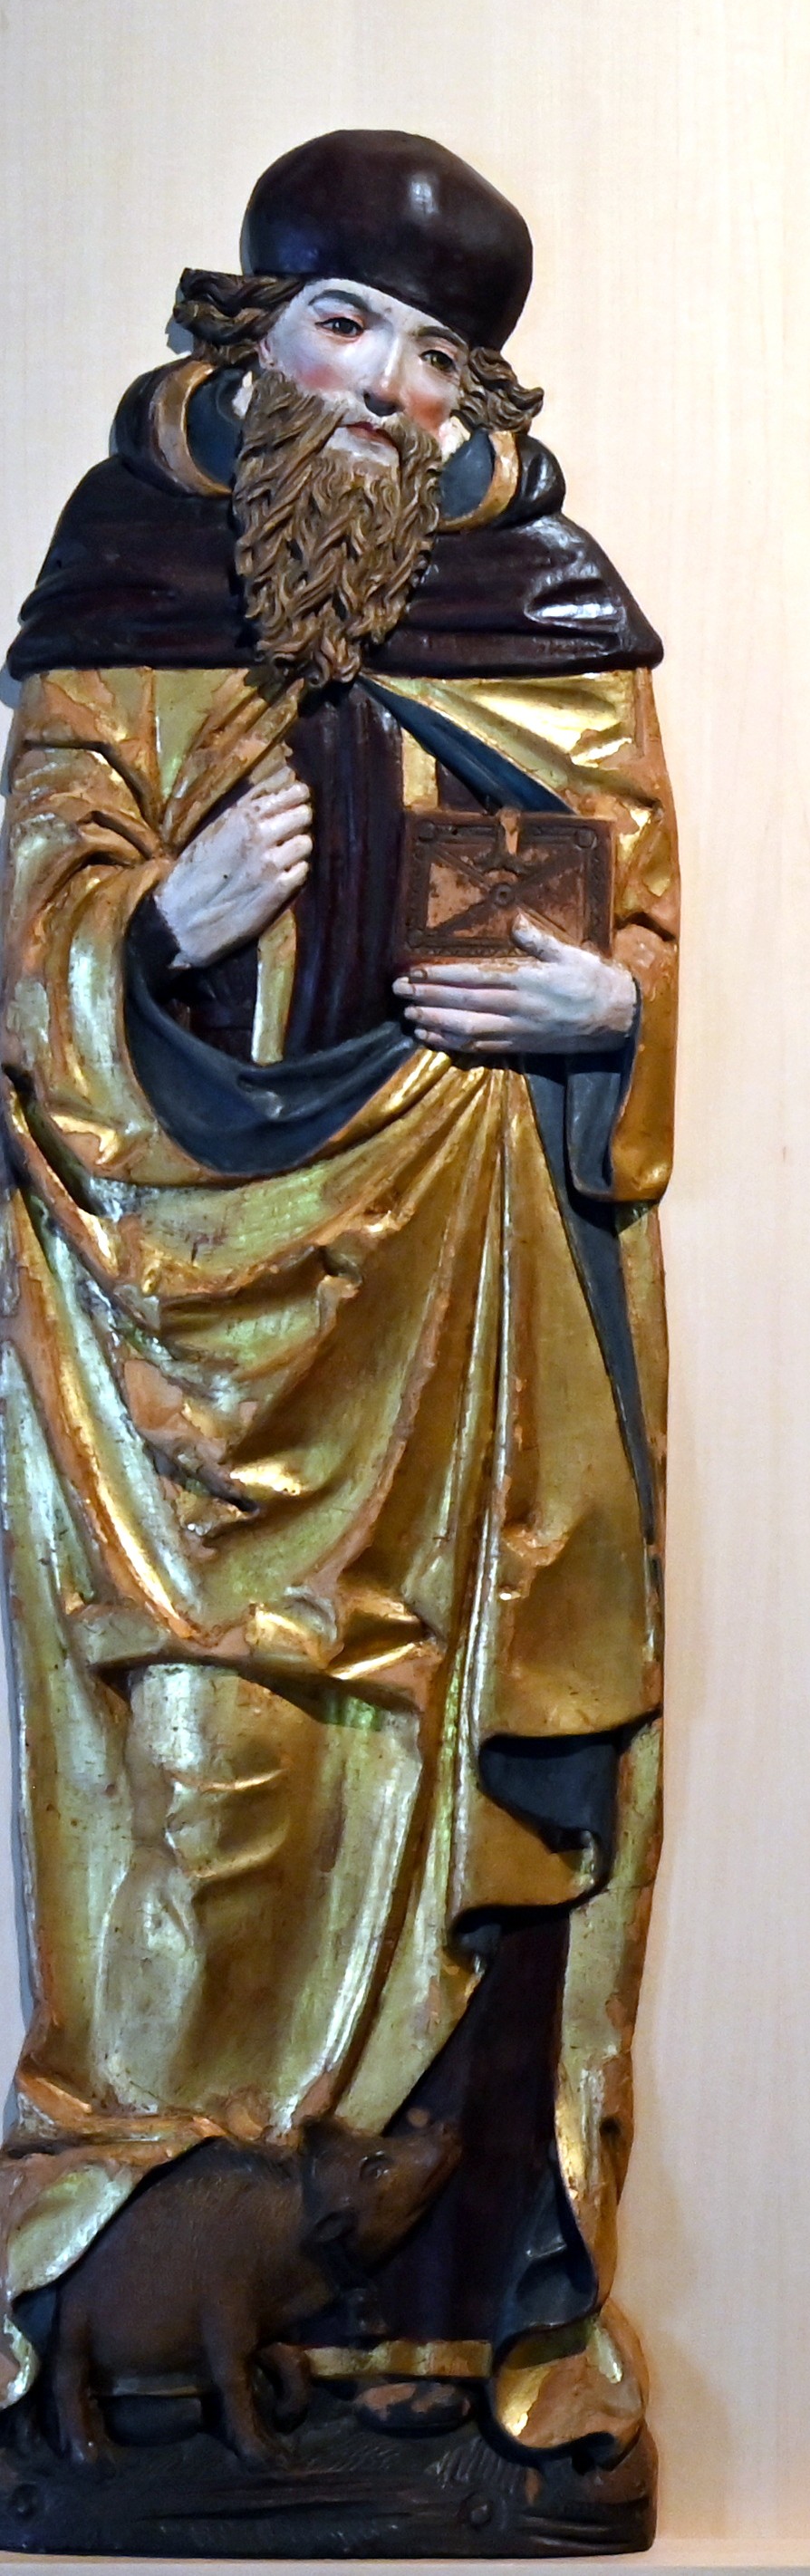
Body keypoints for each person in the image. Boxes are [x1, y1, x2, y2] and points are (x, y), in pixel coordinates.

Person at [0, 130, 680, 2516]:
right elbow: (34, 927)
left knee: (447, 1749)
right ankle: (133, 2305)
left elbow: (619, 937)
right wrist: (157, 922)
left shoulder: (542, 612)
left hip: (456, 1298)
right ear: (248, 335)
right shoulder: (120, 587)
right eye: (345, 326)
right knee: (203, 1782)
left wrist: (610, 1009)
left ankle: (425, 2322)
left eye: (437, 356)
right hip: (169, 1336)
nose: (387, 386)